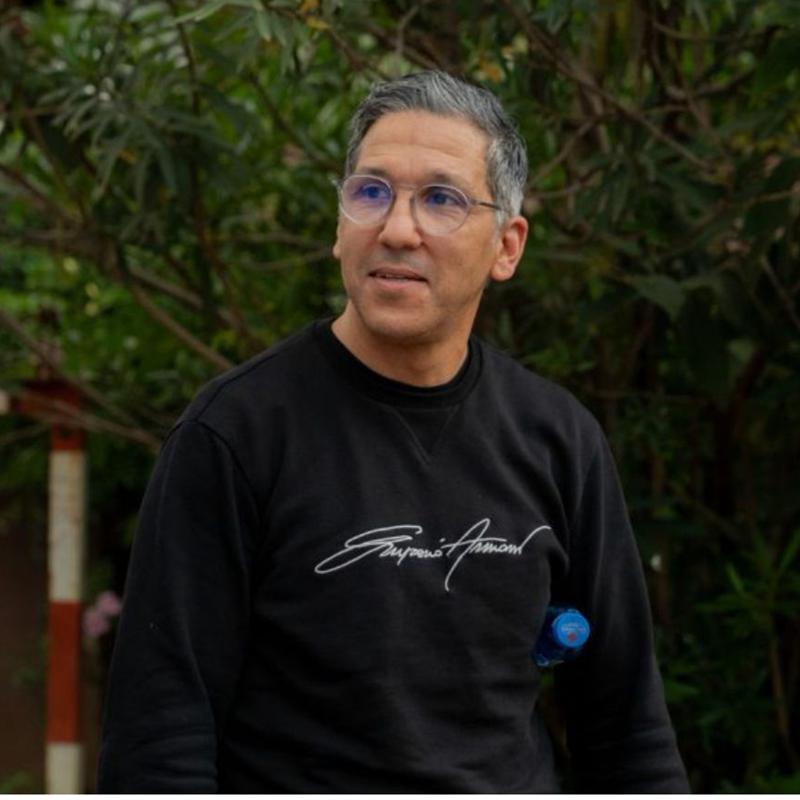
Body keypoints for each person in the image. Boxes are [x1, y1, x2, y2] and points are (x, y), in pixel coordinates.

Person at [98, 71, 689, 793]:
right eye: (372, 192)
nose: (398, 229)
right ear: (339, 226)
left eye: (441, 199)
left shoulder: (559, 440)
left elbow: (626, 730)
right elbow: (159, 739)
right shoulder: (235, 434)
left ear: (507, 246)